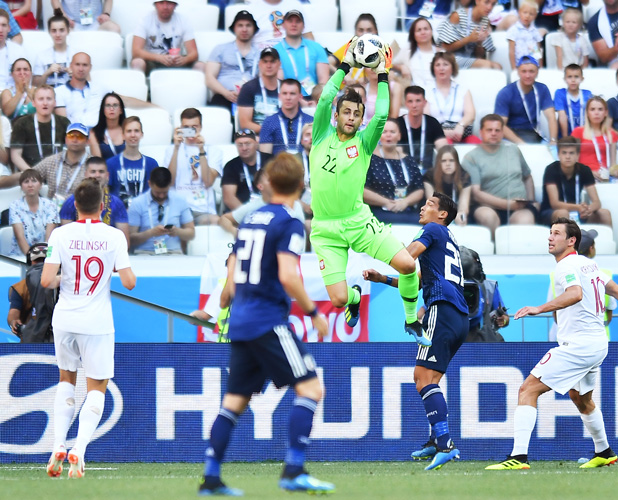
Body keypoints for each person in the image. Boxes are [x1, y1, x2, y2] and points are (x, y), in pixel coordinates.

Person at [199, 153, 334, 496]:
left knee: (234, 401)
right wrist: (313, 312)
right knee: (310, 388)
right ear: (302, 186)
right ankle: (294, 470)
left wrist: (227, 294)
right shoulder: (289, 222)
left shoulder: (252, 218)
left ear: (269, 184)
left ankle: (211, 478)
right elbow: (288, 274)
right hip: (267, 320)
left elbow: (234, 263)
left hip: (241, 320)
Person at [485, 217, 618, 471]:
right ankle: (604, 451)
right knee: (581, 398)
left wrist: (539, 308)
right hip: (597, 343)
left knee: (527, 390)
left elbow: (575, 294)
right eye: (550, 232)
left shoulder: (566, 266)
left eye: (556, 233)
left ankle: (519, 457)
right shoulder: (590, 265)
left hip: (579, 345)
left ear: (572, 241)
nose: (550, 237)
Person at [309, 37, 425, 344]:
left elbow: (384, 115)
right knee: (336, 299)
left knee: (407, 265)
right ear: (337, 116)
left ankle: (412, 320)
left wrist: (383, 74)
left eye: (356, 114)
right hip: (324, 230)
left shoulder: (363, 143)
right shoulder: (320, 135)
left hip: (359, 222)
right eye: (345, 112)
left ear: (361, 120)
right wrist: (345, 65)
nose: (350, 117)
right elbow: (324, 99)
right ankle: (353, 298)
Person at [363, 192, 468, 471]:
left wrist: (378, 245)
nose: (423, 207)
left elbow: (406, 258)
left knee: (421, 378)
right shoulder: (447, 240)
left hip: (441, 309)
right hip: (458, 315)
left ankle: (446, 444)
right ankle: (437, 440)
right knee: (431, 378)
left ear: (442, 214)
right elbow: (415, 280)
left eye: (431, 205)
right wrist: (382, 278)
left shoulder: (432, 229)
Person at [42, 178, 135, 479]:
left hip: (65, 318)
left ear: (75, 205)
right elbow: (130, 281)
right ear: (103, 206)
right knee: (97, 388)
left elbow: (45, 281)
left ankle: (58, 443)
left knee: (66, 380)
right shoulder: (114, 236)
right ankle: (79, 451)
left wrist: (66, 277)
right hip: (96, 322)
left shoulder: (60, 233)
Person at [462, 114, 538, 232]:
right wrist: (507, 204)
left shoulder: (513, 149)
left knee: (525, 222)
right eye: (489, 130)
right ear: (481, 132)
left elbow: (527, 177)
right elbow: (476, 193)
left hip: (519, 208)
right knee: (488, 218)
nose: (493, 133)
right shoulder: (471, 157)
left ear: (502, 133)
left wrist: (532, 201)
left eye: (497, 130)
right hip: (487, 207)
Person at [54, 52, 152, 129]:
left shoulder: (100, 88)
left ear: (90, 68)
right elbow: (65, 124)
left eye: (85, 65)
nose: (81, 69)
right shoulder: (59, 92)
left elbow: (124, 100)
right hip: (75, 136)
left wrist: (154, 107)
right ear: (71, 66)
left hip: (100, 136)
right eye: (77, 65)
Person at [164, 107, 223, 225]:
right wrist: (176, 148)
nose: (190, 130)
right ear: (180, 127)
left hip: (203, 211)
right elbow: (169, 182)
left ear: (200, 127)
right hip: (178, 210)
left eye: (194, 127)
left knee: (218, 222)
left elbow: (208, 182)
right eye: (186, 127)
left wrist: (201, 150)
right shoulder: (171, 150)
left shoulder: (213, 151)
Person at [1, 122, 89, 200]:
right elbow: (27, 176)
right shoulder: (52, 161)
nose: (75, 139)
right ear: (66, 139)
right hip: (53, 212)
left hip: (81, 211)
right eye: (71, 136)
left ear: (87, 141)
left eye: (80, 137)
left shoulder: (92, 164)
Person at [540, 136, 612, 226]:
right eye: (564, 153)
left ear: (578, 155)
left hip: (578, 212)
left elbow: (597, 202)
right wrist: (578, 207)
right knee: (563, 213)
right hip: (552, 212)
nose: (567, 157)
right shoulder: (551, 169)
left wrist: (588, 209)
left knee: (605, 213)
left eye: (571, 153)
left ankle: (605, 240)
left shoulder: (585, 170)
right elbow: (555, 203)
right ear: (558, 155)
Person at [364, 119, 425, 224]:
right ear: (379, 135)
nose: (388, 135)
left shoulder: (409, 161)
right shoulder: (370, 159)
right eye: (384, 132)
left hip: (406, 210)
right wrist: (386, 202)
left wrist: (405, 202)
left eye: (392, 132)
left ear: (399, 136)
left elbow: (419, 189)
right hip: (378, 211)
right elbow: (363, 190)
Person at [59, 156, 129, 247]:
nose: (97, 175)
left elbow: (125, 243)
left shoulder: (117, 203)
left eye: (101, 172)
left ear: (107, 176)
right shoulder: (71, 202)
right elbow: (65, 239)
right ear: (85, 174)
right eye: (93, 172)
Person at [218, 164, 305, 236]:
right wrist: (237, 233)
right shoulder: (253, 206)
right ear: (260, 186)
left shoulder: (293, 203)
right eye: (270, 179)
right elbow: (224, 219)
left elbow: (299, 232)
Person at [127, 166, 195, 255]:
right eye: (158, 192)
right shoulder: (137, 203)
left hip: (173, 252)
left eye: (165, 192)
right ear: (149, 184)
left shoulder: (180, 201)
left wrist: (177, 231)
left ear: (170, 184)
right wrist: (150, 233)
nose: (161, 196)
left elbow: (191, 233)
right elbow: (130, 239)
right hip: (144, 253)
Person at [206, 10, 260, 113]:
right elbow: (209, 78)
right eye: (240, 25)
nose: (244, 29)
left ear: (254, 29)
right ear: (234, 28)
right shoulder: (220, 49)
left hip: (251, 99)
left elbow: (264, 80)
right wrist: (226, 93)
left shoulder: (260, 54)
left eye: (248, 25)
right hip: (224, 96)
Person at [494, 55, 556, 144]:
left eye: (531, 71)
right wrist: (521, 144)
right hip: (510, 137)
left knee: (553, 154)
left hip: (533, 134)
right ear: (518, 72)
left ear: (537, 72)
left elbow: (551, 117)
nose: (528, 75)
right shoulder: (506, 92)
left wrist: (553, 140)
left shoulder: (542, 89)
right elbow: (500, 124)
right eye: (524, 71)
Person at [9, 85, 69, 172]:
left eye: (49, 99)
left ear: (55, 102)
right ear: (33, 103)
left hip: (58, 172)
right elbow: (15, 155)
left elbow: (71, 150)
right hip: (30, 173)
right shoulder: (22, 123)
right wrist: (31, 173)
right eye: (41, 99)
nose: (45, 103)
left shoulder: (64, 122)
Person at [130, 0, 201, 73]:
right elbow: (136, 51)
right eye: (161, 3)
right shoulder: (145, 20)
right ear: (156, 4)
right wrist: (158, 57)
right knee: (137, 62)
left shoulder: (183, 21)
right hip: (152, 61)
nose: (165, 7)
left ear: (175, 5)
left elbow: (194, 54)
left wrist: (184, 59)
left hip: (175, 62)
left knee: (200, 66)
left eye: (169, 3)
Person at [273, 10, 328, 97]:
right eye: (290, 21)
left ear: (304, 26)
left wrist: (317, 100)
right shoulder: (275, 50)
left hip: (314, 98)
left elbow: (323, 81)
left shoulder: (317, 48)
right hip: (287, 99)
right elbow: (278, 82)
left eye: (298, 21)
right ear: (283, 25)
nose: (294, 24)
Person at [425, 52, 478, 144]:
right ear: (433, 68)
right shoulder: (426, 91)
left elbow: (470, 114)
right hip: (437, 134)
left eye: (445, 64)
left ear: (452, 68)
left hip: (461, 132)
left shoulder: (463, 90)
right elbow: (425, 118)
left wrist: (460, 126)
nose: (441, 68)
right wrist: (443, 132)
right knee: (446, 144)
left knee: (477, 144)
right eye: (438, 65)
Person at [7, 243, 55, 343]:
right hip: (31, 340)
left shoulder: (63, 282)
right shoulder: (19, 288)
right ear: (30, 262)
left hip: (59, 338)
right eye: (37, 261)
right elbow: (13, 313)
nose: (41, 264)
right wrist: (14, 322)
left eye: (44, 261)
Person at [106, 116, 158, 206]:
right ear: (123, 135)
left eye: (136, 131)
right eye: (129, 131)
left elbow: (157, 193)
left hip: (144, 215)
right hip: (119, 216)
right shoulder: (111, 164)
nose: (133, 135)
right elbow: (106, 195)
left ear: (142, 134)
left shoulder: (152, 164)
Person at [437, 0, 502, 70]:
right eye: (486, 2)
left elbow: (479, 56)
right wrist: (468, 39)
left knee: (498, 67)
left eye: (493, 4)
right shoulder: (457, 16)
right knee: (487, 65)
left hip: (470, 59)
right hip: (450, 58)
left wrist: (479, 43)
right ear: (477, 1)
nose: (490, 7)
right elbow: (445, 47)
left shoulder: (485, 21)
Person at [396, 86, 448, 174]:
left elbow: (444, 149)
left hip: (428, 174)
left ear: (425, 102)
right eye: (410, 101)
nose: (414, 105)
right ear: (405, 103)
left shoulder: (433, 123)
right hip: (403, 172)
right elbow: (394, 152)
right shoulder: (398, 124)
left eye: (418, 101)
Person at [9, 169, 59, 256]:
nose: (30, 185)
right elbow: (20, 237)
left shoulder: (50, 206)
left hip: (45, 256)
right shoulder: (15, 206)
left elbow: (49, 238)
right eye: (26, 182)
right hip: (20, 256)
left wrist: (41, 259)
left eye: (34, 181)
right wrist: (31, 259)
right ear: (21, 186)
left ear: (41, 185)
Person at [259, 79, 312, 155]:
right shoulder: (269, 122)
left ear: (300, 96)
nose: (288, 97)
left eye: (292, 93)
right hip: (278, 164)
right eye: (284, 93)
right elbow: (265, 156)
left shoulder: (310, 121)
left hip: (305, 165)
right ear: (279, 96)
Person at [571, 96, 618, 181]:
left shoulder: (611, 134)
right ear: (587, 113)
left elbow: (613, 164)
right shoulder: (578, 132)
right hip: (584, 176)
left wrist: (616, 173)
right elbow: (573, 162)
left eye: (600, 109)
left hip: (604, 177)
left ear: (606, 113)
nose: (596, 113)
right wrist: (589, 172)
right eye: (592, 109)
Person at [221, 129, 270, 211]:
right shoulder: (231, 166)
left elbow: (282, 188)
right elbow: (229, 198)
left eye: (248, 143)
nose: (244, 148)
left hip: (270, 209)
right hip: (242, 213)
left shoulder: (271, 160)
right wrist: (248, 215)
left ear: (256, 144)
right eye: (240, 145)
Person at [236, 47, 281, 134]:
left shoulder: (286, 88)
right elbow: (245, 124)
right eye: (265, 61)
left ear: (279, 64)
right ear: (259, 64)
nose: (269, 65)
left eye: (272, 61)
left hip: (283, 136)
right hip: (257, 137)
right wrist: (270, 131)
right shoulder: (248, 88)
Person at [423, 145, 471, 225]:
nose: (448, 164)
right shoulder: (429, 176)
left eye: (451, 160)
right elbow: (432, 203)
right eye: (444, 161)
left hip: (456, 214)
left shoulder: (464, 176)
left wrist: (461, 214)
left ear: (457, 162)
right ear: (438, 163)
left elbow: (464, 205)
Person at [394, 17, 444, 88]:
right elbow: (389, 64)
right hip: (415, 94)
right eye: (419, 30)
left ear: (431, 31)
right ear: (413, 35)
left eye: (426, 29)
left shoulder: (442, 53)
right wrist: (402, 67)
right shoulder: (408, 52)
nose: (423, 32)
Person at [244, 0, 313, 49]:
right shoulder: (252, 8)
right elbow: (245, 40)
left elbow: (307, 35)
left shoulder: (294, 4)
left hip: (291, 52)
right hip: (263, 57)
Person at [32, 15, 73, 88]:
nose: (58, 35)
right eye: (54, 31)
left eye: (61, 30)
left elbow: (88, 82)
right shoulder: (41, 55)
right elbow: (35, 86)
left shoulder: (76, 54)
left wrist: (76, 75)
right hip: (48, 96)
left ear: (68, 31)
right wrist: (47, 73)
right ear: (49, 32)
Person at [554, 64, 593, 137]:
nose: (573, 80)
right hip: (565, 136)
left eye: (576, 77)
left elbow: (589, 116)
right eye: (569, 77)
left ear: (582, 79)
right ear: (564, 79)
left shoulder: (587, 94)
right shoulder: (560, 93)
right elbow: (562, 116)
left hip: (584, 136)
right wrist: (566, 139)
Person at [506, 0, 543, 70]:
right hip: (519, 65)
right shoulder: (514, 30)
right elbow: (511, 51)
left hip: (533, 65)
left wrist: (540, 67)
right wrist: (514, 68)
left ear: (535, 16)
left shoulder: (534, 31)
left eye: (531, 14)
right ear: (519, 12)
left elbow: (537, 50)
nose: (527, 16)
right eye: (525, 12)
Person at [88, 92, 125, 160]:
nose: (111, 108)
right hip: (104, 169)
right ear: (103, 110)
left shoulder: (128, 130)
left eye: (115, 105)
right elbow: (98, 162)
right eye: (108, 105)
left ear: (121, 110)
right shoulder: (94, 132)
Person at [50, 0, 120, 33]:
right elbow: (54, 1)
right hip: (71, 25)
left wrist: (106, 14)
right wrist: (64, 18)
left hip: (97, 23)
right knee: (60, 31)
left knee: (114, 28)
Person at [0, 10, 27, 90]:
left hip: (13, 95)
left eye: (4, 25)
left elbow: (25, 79)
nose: (0, 30)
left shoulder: (18, 50)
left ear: (9, 28)